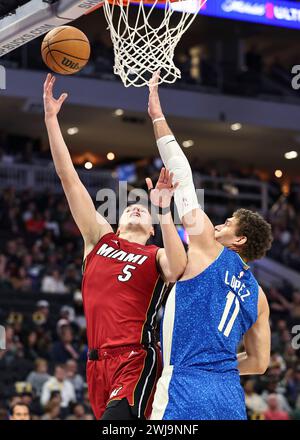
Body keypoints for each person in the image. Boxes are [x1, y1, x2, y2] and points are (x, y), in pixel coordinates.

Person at [43, 74, 187, 420]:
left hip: (136, 358)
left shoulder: (156, 255)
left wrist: (166, 209)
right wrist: (51, 120)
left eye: (145, 209)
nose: (137, 206)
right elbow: (69, 179)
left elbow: (177, 267)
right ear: (117, 221)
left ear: (152, 229)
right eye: (130, 206)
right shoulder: (99, 238)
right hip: (94, 363)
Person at [148, 71, 273, 420]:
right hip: (229, 398)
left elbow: (182, 175)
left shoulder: (206, 246)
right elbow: (260, 363)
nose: (218, 224)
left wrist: (157, 115)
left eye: (228, 223)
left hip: (185, 388)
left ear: (240, 240)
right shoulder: (258, 295)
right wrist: (217, 368)